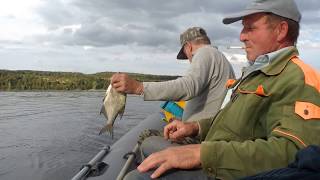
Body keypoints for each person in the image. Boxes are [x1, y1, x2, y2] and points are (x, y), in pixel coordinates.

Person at [124, 0, 320, 179]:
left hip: (223, 168)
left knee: (136, 174)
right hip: (213, 151)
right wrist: (196, 127)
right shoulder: (254, 74)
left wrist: (202, 153)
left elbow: (294, 152)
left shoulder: (299, 78)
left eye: (250, 28)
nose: (242, 36)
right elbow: (234, 124)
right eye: (244, 29)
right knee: (150, 145)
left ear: (281, 30)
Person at [111, 27, 235, 122]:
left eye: (186, 55)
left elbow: (188, 86)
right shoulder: (218, 57)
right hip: (205, 129)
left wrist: (139, 87)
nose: (189, 60)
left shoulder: (205, 53)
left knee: (147, 142)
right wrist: (185, 123)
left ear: (188, 47)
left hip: (202, 138)